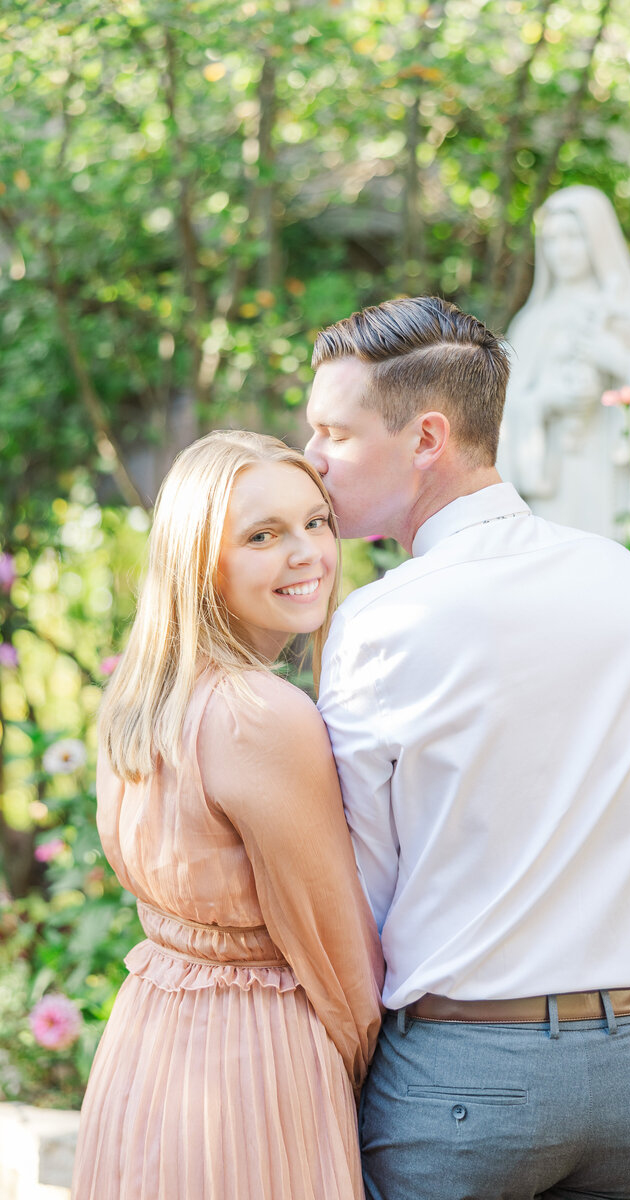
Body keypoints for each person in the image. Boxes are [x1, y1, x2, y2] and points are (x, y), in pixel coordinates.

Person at [304, 296, 630, 1200]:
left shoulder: (383, 621)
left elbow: (363, 886)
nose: (311, 461)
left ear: (427, 437)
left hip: (464, 1074)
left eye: (334, 435)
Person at [72, 431, 383, 1200]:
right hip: (255, 1063)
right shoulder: (261, 714)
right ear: (200, 563)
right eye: (263, 535)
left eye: (316, 522)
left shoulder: (139, 702)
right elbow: (334, 947)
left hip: (148, 1047)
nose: (308, 552)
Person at [497, 185, 630, 587]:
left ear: (598, 239)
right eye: (551, 240)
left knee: (612, 578)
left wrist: (619, 360)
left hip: (611, 478)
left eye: (573, 237)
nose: (562, 251)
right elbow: (502, 412)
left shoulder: (625, 312)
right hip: (553, 480)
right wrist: (547, 401)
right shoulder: (532, 321)